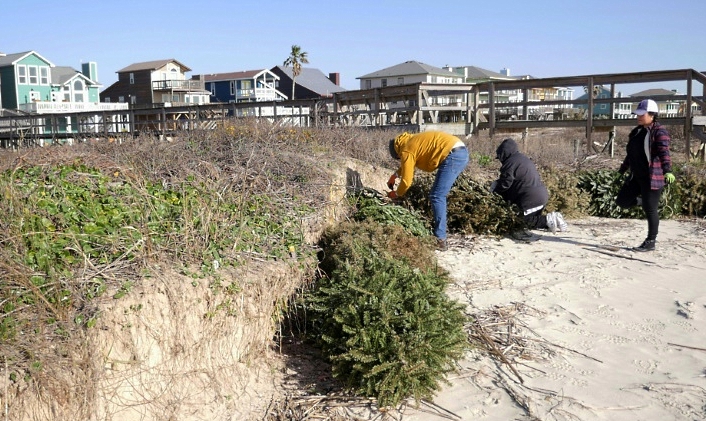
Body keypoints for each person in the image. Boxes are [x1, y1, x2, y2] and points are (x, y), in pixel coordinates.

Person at [387, 131, 469, 251]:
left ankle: (440, 240)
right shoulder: (411, 141)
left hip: (452, 156)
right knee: (440, 193)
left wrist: (396, 194)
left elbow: (406, 182)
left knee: (437, 196)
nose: (401, 159)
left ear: (397, 153)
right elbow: (408, 165)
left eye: (399, 158)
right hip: (459, 151)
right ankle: (443, 229)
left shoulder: (406, 151)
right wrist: (395, 175)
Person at [616, 99, 674, 252]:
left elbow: (664, 153)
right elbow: (631, 155)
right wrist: (622, 170)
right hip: (636, 176)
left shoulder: (659, 132)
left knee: (650, 210)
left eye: (642, 114)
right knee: (622, 201)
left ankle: (651, 241)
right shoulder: (636, 132)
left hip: (653, 177)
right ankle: (648, 202)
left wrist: (668, 170)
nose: (638, 117)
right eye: (637, 114)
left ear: (652, 115)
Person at [490, 137, 568, 233]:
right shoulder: (522, 159)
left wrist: (493, 193)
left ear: (503, 154)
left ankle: (548, 219)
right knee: (532, 220)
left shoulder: (510, 163)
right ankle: (552, 221)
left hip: (530, 200)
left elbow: (505, 184)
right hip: (540, 197)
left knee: (520, 221)